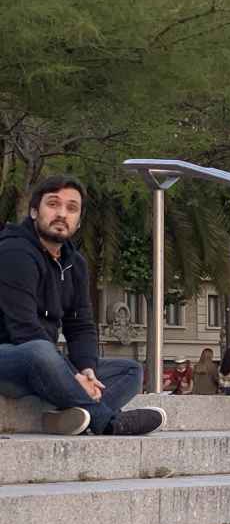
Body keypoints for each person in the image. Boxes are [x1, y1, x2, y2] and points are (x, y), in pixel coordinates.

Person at [0, 176, 163, 436]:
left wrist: (87, 370)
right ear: (34, 211)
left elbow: (80, 325)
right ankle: (108, 422)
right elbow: (23, 329)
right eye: (53, 204)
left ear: (78, 221)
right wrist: (74, 377)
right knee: (40, 350)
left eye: (71, 208)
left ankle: (65, 417)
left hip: (46, 368)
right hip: (12, 359)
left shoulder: (74, 263)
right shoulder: (14, 252)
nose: (62, 214)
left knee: (130, 371)